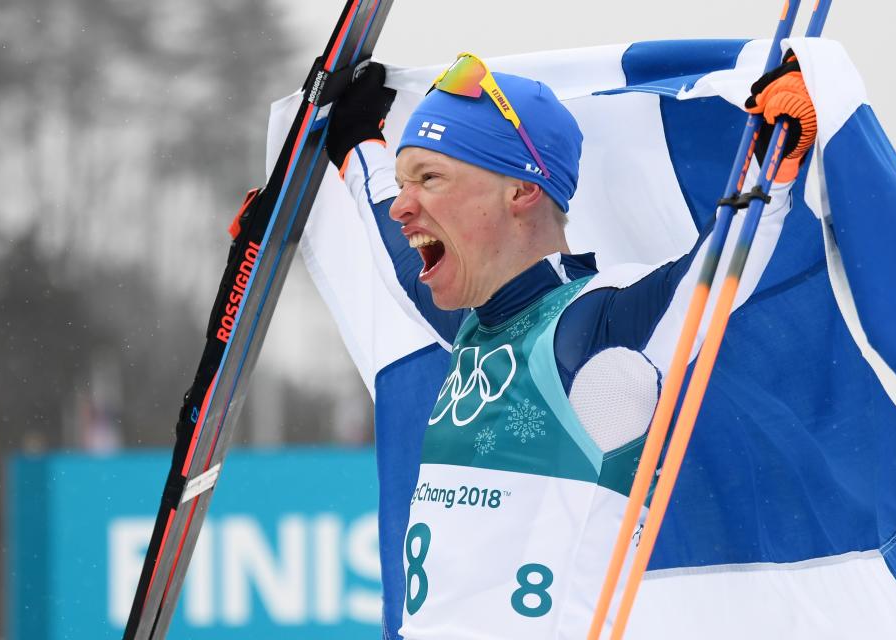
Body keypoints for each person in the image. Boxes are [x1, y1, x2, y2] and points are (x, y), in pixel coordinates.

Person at [325, 53, 817, 639]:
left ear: (521, 191)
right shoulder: (477, 321)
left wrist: (773, 160)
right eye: (406, 184)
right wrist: (357, 145)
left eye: (430, 179)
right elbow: (398, 253)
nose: (406, 206)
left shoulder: (592, 326)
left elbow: (712, 275)